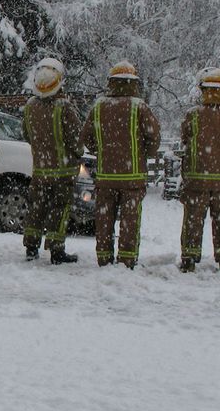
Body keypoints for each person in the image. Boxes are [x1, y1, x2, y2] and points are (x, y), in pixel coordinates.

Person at [82, 61, 160, 268]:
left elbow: (86, 137)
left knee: (104, 219)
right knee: (130, 220)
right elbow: (153, 137)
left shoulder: (99, 107)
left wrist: (101, 151)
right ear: (133, 82)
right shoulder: (139, 107)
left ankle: (104, 257)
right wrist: (143, 155)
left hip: (106, 176)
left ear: (111, 83)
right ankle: (127, 259)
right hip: (133, 177)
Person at [21, 57, 84, 265]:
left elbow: (27, 134)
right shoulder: (63, 108)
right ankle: (56, 249)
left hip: (40, 171)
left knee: (36, 207)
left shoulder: (30, 106)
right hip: (62, 172)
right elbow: (76, 139)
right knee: (60, 209)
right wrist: (76, 154)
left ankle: (31, 246)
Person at [179, 67, 220, 272]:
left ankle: (189, 258)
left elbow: (186, 138)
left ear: (204, 90)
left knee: (193, 220)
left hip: (198, 179)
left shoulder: (194, 115)